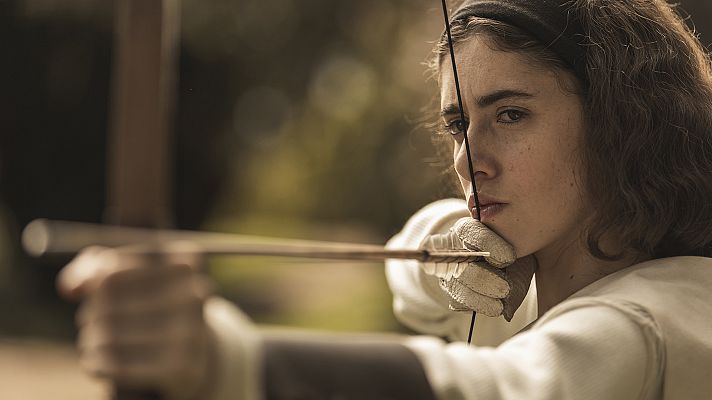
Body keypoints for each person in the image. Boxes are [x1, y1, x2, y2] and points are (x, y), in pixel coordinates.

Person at [57, 0, 712, 399]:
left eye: (510, 115)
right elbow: (430, 292)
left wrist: (222, 364)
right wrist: (440, 236)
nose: (468, 159)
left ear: (623, 121)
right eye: (459, 125)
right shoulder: (550, 284)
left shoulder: (650, 325)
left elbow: (495, 389)